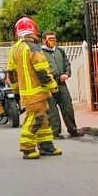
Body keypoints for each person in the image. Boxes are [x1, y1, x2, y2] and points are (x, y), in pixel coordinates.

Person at [7, 16, 60, 160]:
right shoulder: (33, 47)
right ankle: (27, 147)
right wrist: (52, 85)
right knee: (36, 118)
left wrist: (16, 88)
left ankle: (46, 146)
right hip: (37, 91)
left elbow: (11, 72)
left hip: (26, 92)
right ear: (32, 31)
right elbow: (42, 70)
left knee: (44, 118)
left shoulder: (14, 49)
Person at [41, 32, 82, 139]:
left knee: (68, 107)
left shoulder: (60, 51)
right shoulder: (41, 53)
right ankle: (55, 133)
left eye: (54, 38)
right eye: (50, 39)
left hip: (62, 84)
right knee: (52, 111)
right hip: (49, 86)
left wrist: (67, 74)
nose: (52, 41)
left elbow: (67, 64)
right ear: (44, 40)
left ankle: (73, 130)